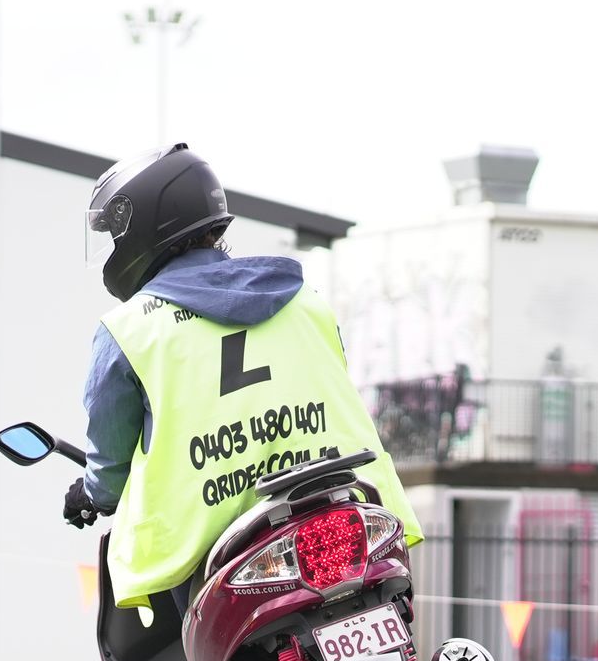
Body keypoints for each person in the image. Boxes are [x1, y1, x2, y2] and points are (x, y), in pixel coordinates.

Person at [68, 143, 421, 611]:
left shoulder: (129, 331)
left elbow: (109, 461)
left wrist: (91, 493)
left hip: (220, 540)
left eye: (115, 233)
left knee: (196, 657)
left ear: (144, 229)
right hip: (347, 504)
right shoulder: (303, 299)